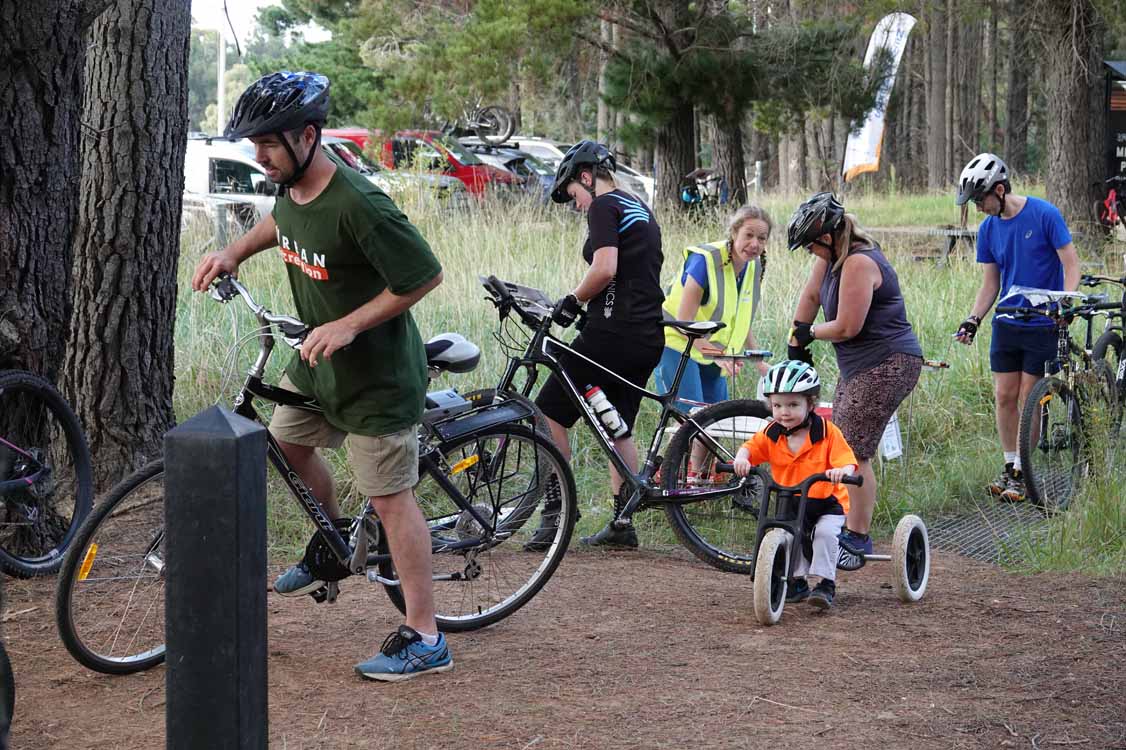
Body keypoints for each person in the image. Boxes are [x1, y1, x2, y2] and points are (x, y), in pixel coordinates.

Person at [190, 71, 451, 682]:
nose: (259, 157)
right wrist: (233, 251)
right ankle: (335, 543)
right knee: (282, 443)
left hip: (375, 378)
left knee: (389, 499)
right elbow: (281, 223)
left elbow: (423, 275)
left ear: (308, 136)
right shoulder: (293, 185)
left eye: (268, 144)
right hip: (317, 365)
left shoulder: (360, 203)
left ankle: (427, 635)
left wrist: (351, 325)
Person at [531, 140, 665, 550]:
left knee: (547, 411)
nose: (575, 205)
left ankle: (554, 517)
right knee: (616, 423)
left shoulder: (605, 207)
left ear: (586, 177)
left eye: (572, 194)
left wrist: (571, 300)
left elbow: (605, 268)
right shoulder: (638, 206)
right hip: (647, 335)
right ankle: (623, 522)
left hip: (613, 332)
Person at [786, 192, 923, 569]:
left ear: (828, 237)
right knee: (842, 443)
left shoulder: (860, 263)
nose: (810, 252)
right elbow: (811, 295)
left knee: (851, 449)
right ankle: (844, 524)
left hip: (888, 362)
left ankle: (857, 537)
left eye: (811, 245)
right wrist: (795, 338)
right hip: (860, 367)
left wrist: (810, 333)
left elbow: (848, 326)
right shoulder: (830, 259)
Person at [952, 153, 1079, 501]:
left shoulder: (1044, 214)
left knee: (1029, 397)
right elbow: (990, 283)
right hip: (1007, 322)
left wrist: (1065, 301)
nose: (978, 207)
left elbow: (1071, 263)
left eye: (981, 199)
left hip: (1043, 321)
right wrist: (973, 319)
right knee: (1004, 396)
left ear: (1001, 189)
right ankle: (1010, 466)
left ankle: (1025, 469)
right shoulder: (989, 229)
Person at [732, 360, 857, 609]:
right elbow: (751, 448)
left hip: (827, 502)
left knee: (823, 534)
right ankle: (797, 581)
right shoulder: (772, 433)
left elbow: (847, 461)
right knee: (790, 537)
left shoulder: (828, 432)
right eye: (777, 405)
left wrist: (841, 471)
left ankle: (825, 583)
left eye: (792, 405)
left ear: (810, 404)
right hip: (790, 499)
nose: (784, 412)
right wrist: (742, 459)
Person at [656, 205, 772, 412]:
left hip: (711, 354)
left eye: (762, 238)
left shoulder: (753, 266)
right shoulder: (705, 260)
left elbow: (742, 321)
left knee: (717, 422)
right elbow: (684, 322)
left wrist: (759, 363)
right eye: (748, 235)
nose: (755, 244)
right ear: (734, 232)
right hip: (677, 346)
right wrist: (719, 356)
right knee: (691, 422)